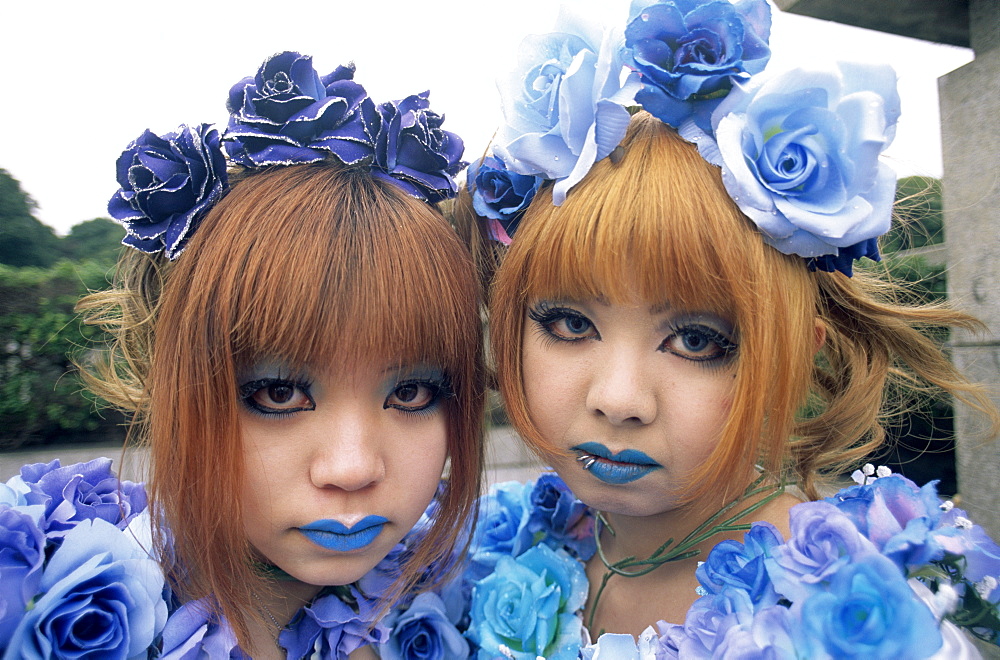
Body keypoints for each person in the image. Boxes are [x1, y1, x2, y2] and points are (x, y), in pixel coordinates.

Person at [450, 2, 1000, 658]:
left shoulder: (870, 623)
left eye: (696, 340)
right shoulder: (481, 558)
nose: (620, 400)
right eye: (570, 323)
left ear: (795, 358)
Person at [70, 51, 483, 658]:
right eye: (279, 392)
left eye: (412, 392)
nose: (351, 469)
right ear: (174, 378)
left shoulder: (453, 608)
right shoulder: (40, 594)